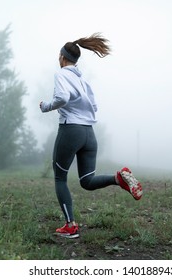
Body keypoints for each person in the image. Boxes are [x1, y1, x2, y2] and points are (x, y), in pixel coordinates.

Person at [39, 33, 142, 239]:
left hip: (71, 131)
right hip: (89, 134)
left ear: (62, 57)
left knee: (60, 178)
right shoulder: (83, 81)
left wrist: (46, 107)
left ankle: (70, 226)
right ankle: (118, 178)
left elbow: (62, 98)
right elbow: (94, 106)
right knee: (87, 180)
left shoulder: (61, 75)